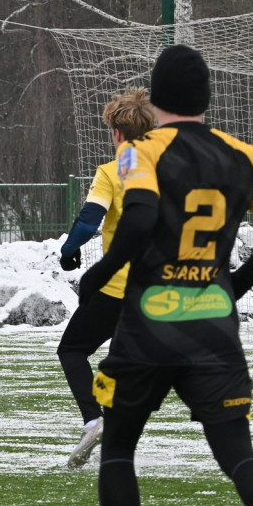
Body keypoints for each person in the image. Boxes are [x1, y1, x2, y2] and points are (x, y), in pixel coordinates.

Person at [79, 45, 253, 506]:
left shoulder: (138, 152)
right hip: (213, 328)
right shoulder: (244, 155)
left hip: (150, 326)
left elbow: (136, 219)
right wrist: (234, 283)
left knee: (120, 449)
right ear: (207, 98)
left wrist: (99, 274)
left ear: (153, 99)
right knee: (236, 452)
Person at [57, 88, 156, 469]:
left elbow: (88, 221)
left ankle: (94, 420)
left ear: (116, 133)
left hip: (118, 286)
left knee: (72, 349)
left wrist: (68, 251)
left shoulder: (113, 172)